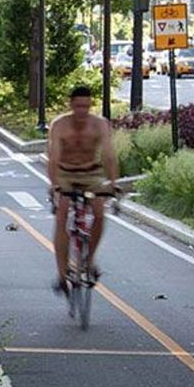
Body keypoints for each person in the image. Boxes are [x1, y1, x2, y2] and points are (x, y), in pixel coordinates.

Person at [48, 85, 119, 296]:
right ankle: (62, 274)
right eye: (78, 106)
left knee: (99, 212)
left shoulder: (99, 125)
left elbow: (108, 155)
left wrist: (113, 183)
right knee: (62, 216)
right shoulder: (59, 125)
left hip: (91, 173)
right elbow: (53, 157)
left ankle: (89, 260)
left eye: (86, 106)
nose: (82, 111)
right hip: (65, 174)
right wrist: (55, 186)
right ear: (71, 105)